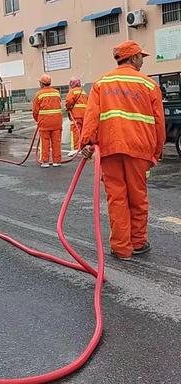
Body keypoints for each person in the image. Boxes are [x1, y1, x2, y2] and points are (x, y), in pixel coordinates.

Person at [80, 41, 166, 261]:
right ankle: (137, 243)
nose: (143, 60)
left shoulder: (101, 83)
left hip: (109, 149)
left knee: (116, 198)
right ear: (133, 58)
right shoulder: (148, 85)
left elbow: (91, 117)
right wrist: (156, 152)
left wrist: (87, 142)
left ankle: (121, 248)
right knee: (137, 198)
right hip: (139, 149)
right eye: (141, 57)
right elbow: (159, 123)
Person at [32, 74, 63, 168]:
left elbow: (35, 111)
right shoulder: (57, 93)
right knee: (56, 142)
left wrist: (38, 120)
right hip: (57, 122)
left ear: (41, 83)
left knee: (45, 142)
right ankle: (57, 161)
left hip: (44, 123)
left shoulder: (39, 94)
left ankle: (45, 161)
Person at [65, 77, 88, 157]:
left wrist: (68, 108)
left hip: (76, 115)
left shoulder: (72, 91)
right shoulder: (83, 92)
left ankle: (75, 149)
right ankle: (82, 148)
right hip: (84, 115)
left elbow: (68, 102)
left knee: (75, 132)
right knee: (82, 132)